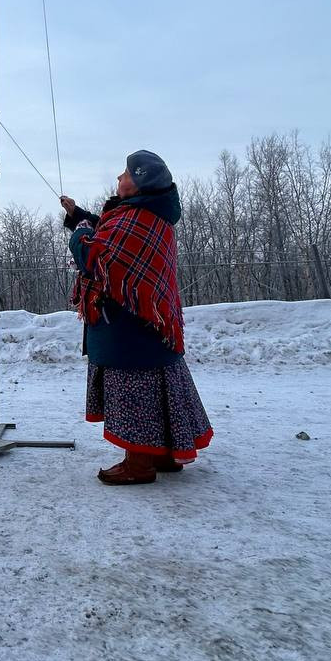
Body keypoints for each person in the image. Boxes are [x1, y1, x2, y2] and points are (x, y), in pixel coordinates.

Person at [60, 150, 213, 485]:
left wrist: (79, 232)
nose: (119, 177)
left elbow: (95, 254)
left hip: (129, 327)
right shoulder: (147, 212)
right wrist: (79, 216)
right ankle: (163, 454)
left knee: (134, 391)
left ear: (139, 182)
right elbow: (110, 233)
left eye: (126, 173)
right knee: (157, 389)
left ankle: (139, 464)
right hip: (151, 323)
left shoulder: (139, 218)